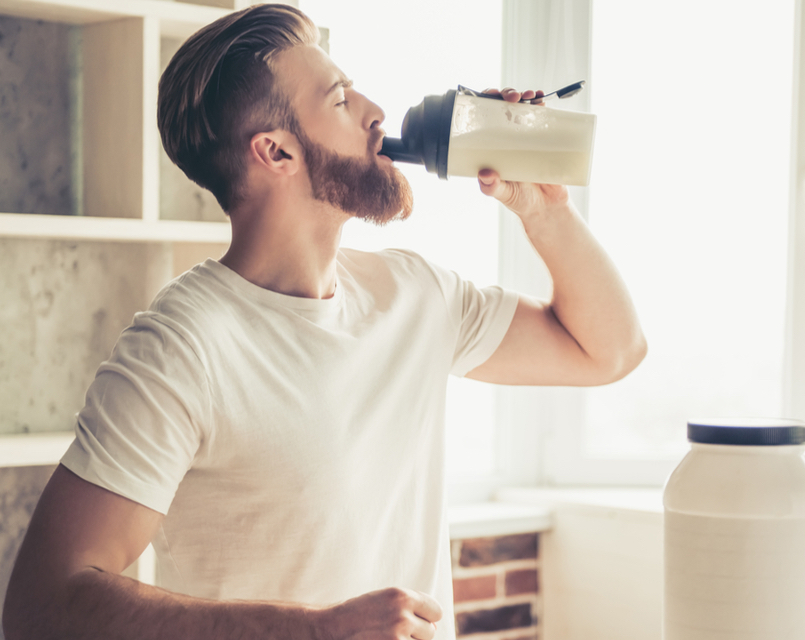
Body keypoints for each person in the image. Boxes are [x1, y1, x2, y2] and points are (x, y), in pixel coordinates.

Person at [2, 4, 645, 640]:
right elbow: (40, 606)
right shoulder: (180, 349)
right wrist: (313, 632)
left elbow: (609, 351)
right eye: (340, 100)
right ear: (276, 151)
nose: (374, 113)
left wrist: (543, 209)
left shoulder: (415, 294)